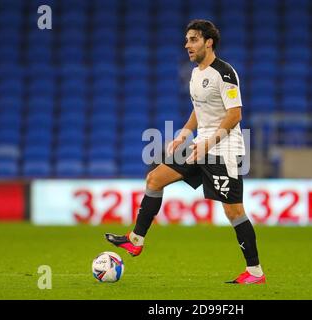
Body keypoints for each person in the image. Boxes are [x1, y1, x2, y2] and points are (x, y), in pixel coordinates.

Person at [106, 19, 265, 285]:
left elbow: (235, 114)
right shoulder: (195, 73)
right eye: (186, 40)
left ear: (208, 42)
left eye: (193, 39)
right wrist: (183, 133)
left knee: (234, 212)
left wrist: (209, 142)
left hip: (223, 150)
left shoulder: (224, 73)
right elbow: (199, 108)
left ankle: (255, 273)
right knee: (155, 179)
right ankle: (136, 239)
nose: (187, 45)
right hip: (199, 146)